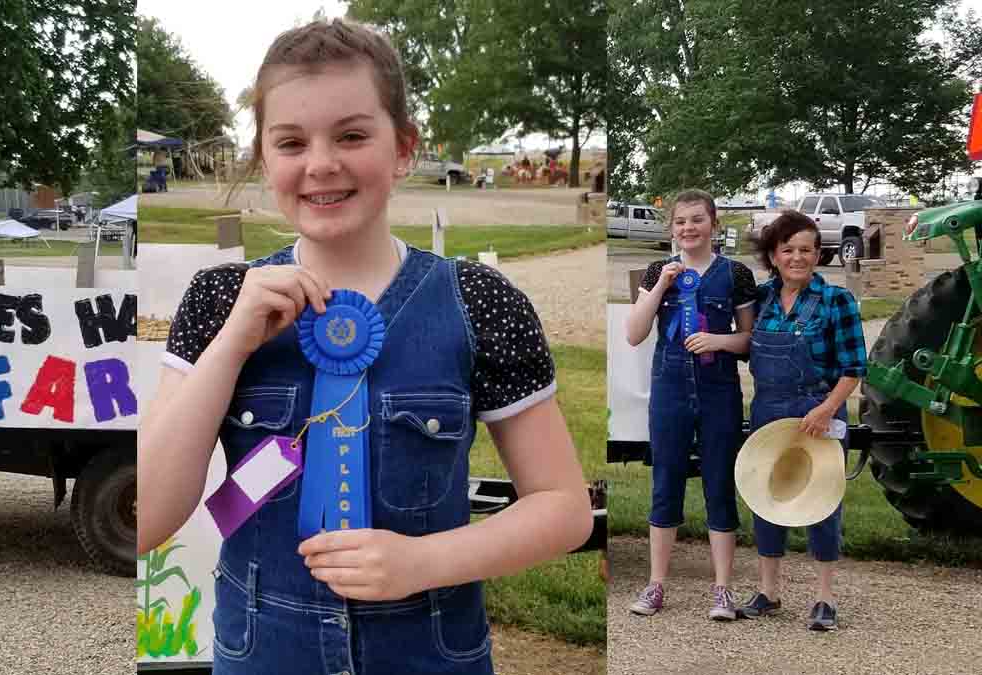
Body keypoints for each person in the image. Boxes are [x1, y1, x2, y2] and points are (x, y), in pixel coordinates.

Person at [137, 18, 593, 675]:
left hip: (430, 655)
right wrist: (233, 343)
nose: (321, 163)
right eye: (291, 141)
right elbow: (150, 515)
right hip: (263, 654)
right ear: (265, 159)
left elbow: (564, 508)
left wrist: (423, 561)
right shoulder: (217, 301)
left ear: (403, 147)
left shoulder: (482, 304)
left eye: (352, 134)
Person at [624, 189, 757, 620]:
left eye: (697, 220)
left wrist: (720, 340)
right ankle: (656, 584)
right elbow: (633, 333)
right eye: (681, 221)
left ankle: (722, 590)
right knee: (666, 482)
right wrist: (661, 284)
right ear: (672, 228)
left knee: (719, 483)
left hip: (719, 390)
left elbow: (749, 340)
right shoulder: (657, 271)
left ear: (713, 224)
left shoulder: (735, 274)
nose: (689, 228)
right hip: (670, 389)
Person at [739, 210, 866, 631]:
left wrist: (827, 408)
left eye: (806, 250)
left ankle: (825, 598)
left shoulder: (836, 301)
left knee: (821, 503)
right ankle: (769, 592)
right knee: (767, 499)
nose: (797, 257)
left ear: (818, 255)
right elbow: (744, 345)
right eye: (788, 249)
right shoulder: (762, 299)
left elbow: (854, 369)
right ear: (773, 255)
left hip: (818, 413)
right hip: (768, 412)